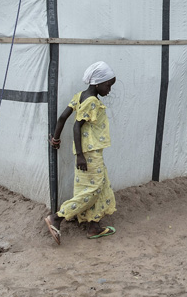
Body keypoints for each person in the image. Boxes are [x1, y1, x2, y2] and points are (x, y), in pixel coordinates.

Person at [44, 62, 118, 244]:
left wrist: (55, 138)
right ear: (97, 83)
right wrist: (80, 155)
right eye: (108, 85)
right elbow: (77, 126)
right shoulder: (91, 102)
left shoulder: (80, 96)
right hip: (89, 154)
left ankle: (94, 227)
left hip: (89, 153)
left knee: (99, 187)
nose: (109, 90)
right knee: (93, 190)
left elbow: (63, 118)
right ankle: (58, 217)